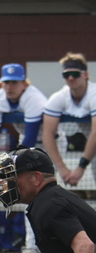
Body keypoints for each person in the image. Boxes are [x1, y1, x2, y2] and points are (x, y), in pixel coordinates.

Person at [0, 63, 53, 253]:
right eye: (6, 82)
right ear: (1, 84)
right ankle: (31, 248)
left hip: (48, 144)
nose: (10, 86)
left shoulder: (34, 97)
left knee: (48, 197)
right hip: (25, 147)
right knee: (30, 196)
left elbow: (30, 139)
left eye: (14, 82)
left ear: (24, 83)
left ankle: (43, 247)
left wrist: (11, 170)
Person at [42, 53, 96, 187]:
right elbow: (47, 134)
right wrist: (62, 169)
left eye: (75, 74)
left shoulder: (94, 94)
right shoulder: (60, 97)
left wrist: (81, 167)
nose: (71, 78)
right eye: (66, 74)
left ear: (85, 74)